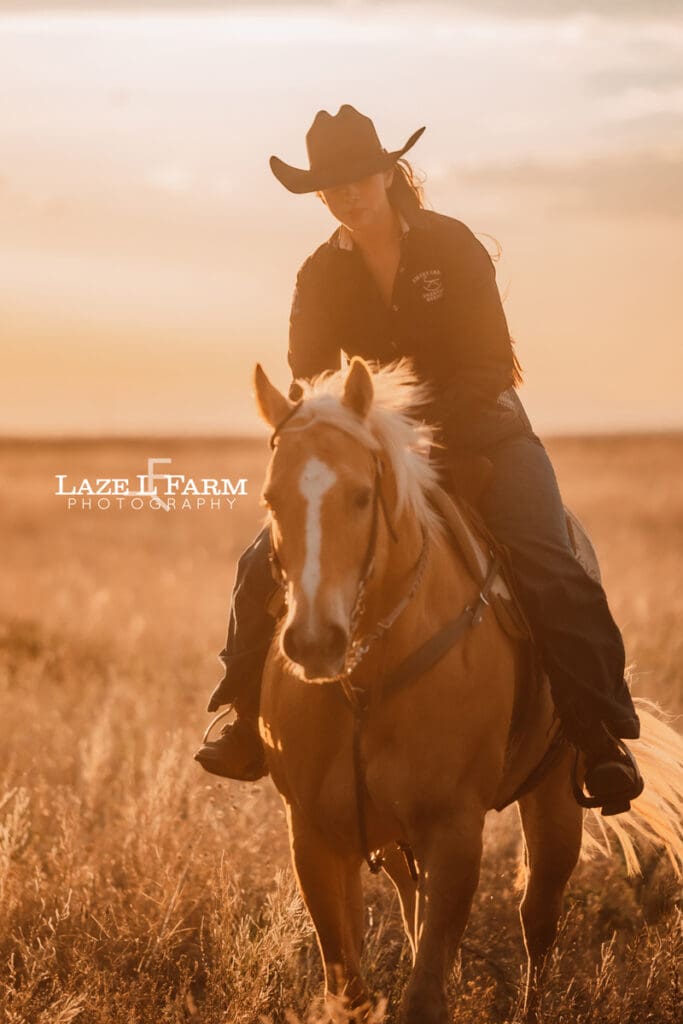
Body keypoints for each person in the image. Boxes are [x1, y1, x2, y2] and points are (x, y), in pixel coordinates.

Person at [194, 104, 644, 815]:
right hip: (373, 455)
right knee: (261, 563)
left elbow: (490, 361)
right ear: (317, 194)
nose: (345, 193)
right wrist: (354, 440)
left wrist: (427, 434)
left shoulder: (450, 245)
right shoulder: (318, 274)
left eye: (357, 177)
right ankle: (244, 721)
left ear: (385, 173)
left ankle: (596, 735)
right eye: (329, 185)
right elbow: (311, 377)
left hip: (486, 434)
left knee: (547, 560)